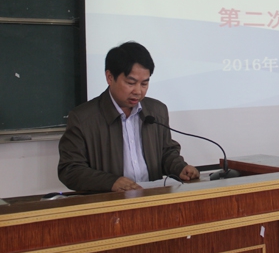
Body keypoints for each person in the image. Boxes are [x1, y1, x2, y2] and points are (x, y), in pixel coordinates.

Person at [58, 41, 199, 192]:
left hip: (152, 198)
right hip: (110, 201)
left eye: (144, 84)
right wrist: (110, 182)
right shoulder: (83, 118)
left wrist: (179, 167)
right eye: (131, 83)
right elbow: (70, 169)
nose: (138, 91)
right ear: (110, 77)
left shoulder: (157, 111)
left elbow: (166, 152)